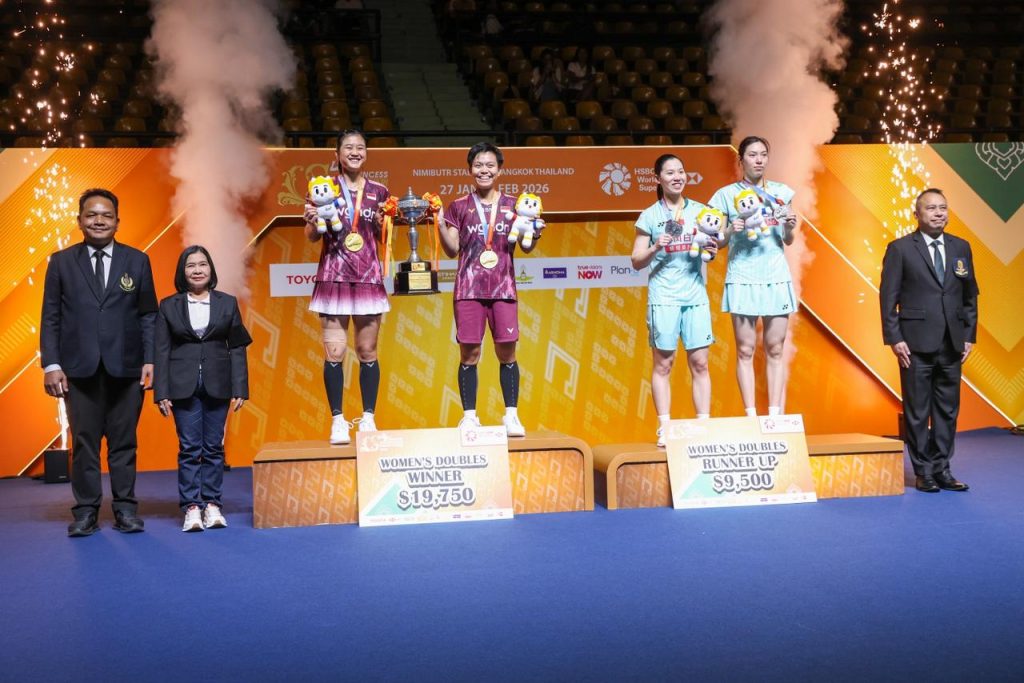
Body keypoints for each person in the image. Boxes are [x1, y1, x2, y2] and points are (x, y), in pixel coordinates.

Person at [40, 188, 157, 537]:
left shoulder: (137, 260)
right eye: (91, 215)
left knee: (124, 443)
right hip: (78, 370)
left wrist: (150, 359)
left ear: (118, 221)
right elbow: (51, 317)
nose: (99, 220)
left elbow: (148, 315)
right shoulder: (60, 262)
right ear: (79, 221)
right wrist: (51, 364)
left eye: (106, 215)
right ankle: (86, 511)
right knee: (84, 444)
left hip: (127, 368)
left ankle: (124, 509)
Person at [438, 142, 543, 436]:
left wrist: (533, 233)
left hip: (503, 289)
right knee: (469, 354)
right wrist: (439, 226)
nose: (484, 170)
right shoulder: (458, 207)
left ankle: (511, 415)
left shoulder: (515, 205)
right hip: (468, 290)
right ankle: (469, 416)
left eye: (490, 165)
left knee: (507, 352)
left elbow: (526, 246)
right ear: (470, 169)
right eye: (479, 165)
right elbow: (452, 250)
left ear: (499, 169)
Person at [880, 188, 978, 493]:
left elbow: (970, 295)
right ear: (917, 214)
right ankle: (923, 471)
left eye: (943, 208)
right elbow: (888, 298)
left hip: (952, 342)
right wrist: (895, 338)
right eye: (931, 208)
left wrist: (969, 335)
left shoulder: (961, 247)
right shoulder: (900, 249)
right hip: (915, 343)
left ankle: (942, 468)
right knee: (918, 410)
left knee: (947, 410)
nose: (939, 213)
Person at [303, 129, 392, 445]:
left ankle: (368, 417)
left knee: (368, 350)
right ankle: (338, 421)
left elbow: (382, 236)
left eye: (360, 148)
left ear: (366, 153)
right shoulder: (322, 188)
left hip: (368, 278)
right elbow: (312, 236)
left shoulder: (380, 192)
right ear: (337, 154)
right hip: (333, 279)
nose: (355, 152)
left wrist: (387, 223)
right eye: (349, 147)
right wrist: (313, 221)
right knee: (335, 351)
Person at [154, 246, 251, 531]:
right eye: (190, 265)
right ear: (182, 272)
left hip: (218, 385)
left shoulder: (228, 303)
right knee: (188, 448)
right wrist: (161, 392)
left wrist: (240, 387)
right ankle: (191, 508)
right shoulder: (168, 305)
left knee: (213, 448)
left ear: (211, 270)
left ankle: (212, 505)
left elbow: (237, 348)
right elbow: (160, 351)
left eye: (202, 264)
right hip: (182, 387)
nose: (197, 270)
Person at [708, 136, 799, 417]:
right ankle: (750, 416)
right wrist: (730, 230)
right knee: (745, 350)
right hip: (743, 276)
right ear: (741, 160)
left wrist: (789, 225)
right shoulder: (725, 195)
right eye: (752, 155)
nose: (758, 160)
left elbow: (789, 239)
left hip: (775, 275)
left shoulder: (782, 193)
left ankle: (775, 416)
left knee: (775, 348)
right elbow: (717, 242)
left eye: (763, 155)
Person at [631, 154, 717, 447]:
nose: (678, 176)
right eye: (670, 172)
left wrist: (714, 247)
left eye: (681, 171)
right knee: (663, 364)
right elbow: (636, 261)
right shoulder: (650, 216)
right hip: (664, 297)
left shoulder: (702, 211)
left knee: (701, 363)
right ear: (658, 179)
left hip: (695, 296)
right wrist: (656, 246)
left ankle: (703, 425)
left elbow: (714, 245)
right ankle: (665, 426)